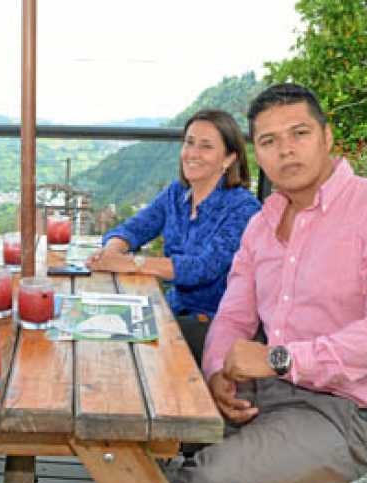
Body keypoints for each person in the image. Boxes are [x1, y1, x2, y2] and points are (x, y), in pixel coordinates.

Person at [169, 83, 367, 483]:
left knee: (202, 482)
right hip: (261, 393)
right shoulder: (261, 225)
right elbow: (234, 314)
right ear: (257, 154)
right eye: (269, 141)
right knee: (149, 429)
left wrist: (279, 359)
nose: (286, 150)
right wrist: (218, 372)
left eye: (299, 133)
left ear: (327, 137)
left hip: (343, 412)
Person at [87, 109, 260, 366]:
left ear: (228, 158)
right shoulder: (177, 194)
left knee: (117, 347)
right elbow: (134, 228)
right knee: (99, 326)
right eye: (189, 143)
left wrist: (133, 263)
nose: (192, 153)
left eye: (206, 146)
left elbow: (202, 268)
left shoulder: (243, 209)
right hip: (172, 309)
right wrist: (112, 251)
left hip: (213, 324)